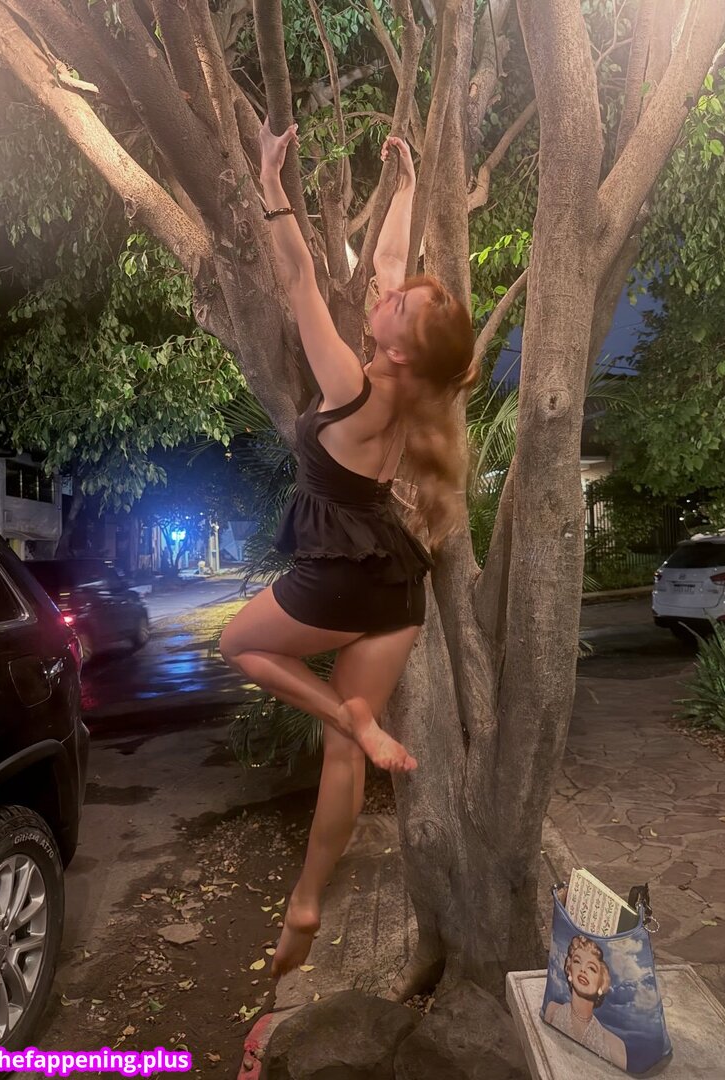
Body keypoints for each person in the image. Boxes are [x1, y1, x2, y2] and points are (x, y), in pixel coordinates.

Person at [219, 118, 476, 979]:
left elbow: (298, 276)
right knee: (344, 758)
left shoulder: (349, 385)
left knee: (239, 645)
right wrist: (405, 189)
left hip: (335, 580)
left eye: (393, 303)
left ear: (396, 345)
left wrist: (272, 186)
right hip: (395, 587)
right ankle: (306, 902)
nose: (380, 290)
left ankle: (348, 717)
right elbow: (391, 262)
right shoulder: (414, 388)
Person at [544, 935, 628, 1070]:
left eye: (592, 968)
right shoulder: (552, 1010)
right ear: (569, 971)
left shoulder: (615, 1046)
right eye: (577, 961)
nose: (583, 969)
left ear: (602, 983)